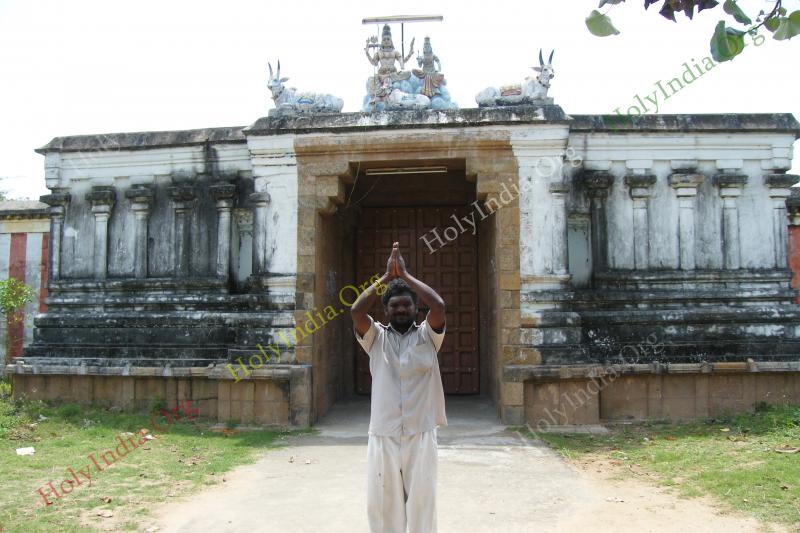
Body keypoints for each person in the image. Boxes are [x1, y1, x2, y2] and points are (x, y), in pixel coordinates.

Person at [350, 241, 447, 533]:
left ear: (416, 308)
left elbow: (439, 306)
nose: (401, 309)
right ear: (386, 311)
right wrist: (385, 279)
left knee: (422, 504)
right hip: (384, 434)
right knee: (382, 505)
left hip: (421, 432)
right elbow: (356, 312)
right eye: (395, 305)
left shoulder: (429, 337)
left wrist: (405, 277)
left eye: (407, 304)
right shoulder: (376, 339)